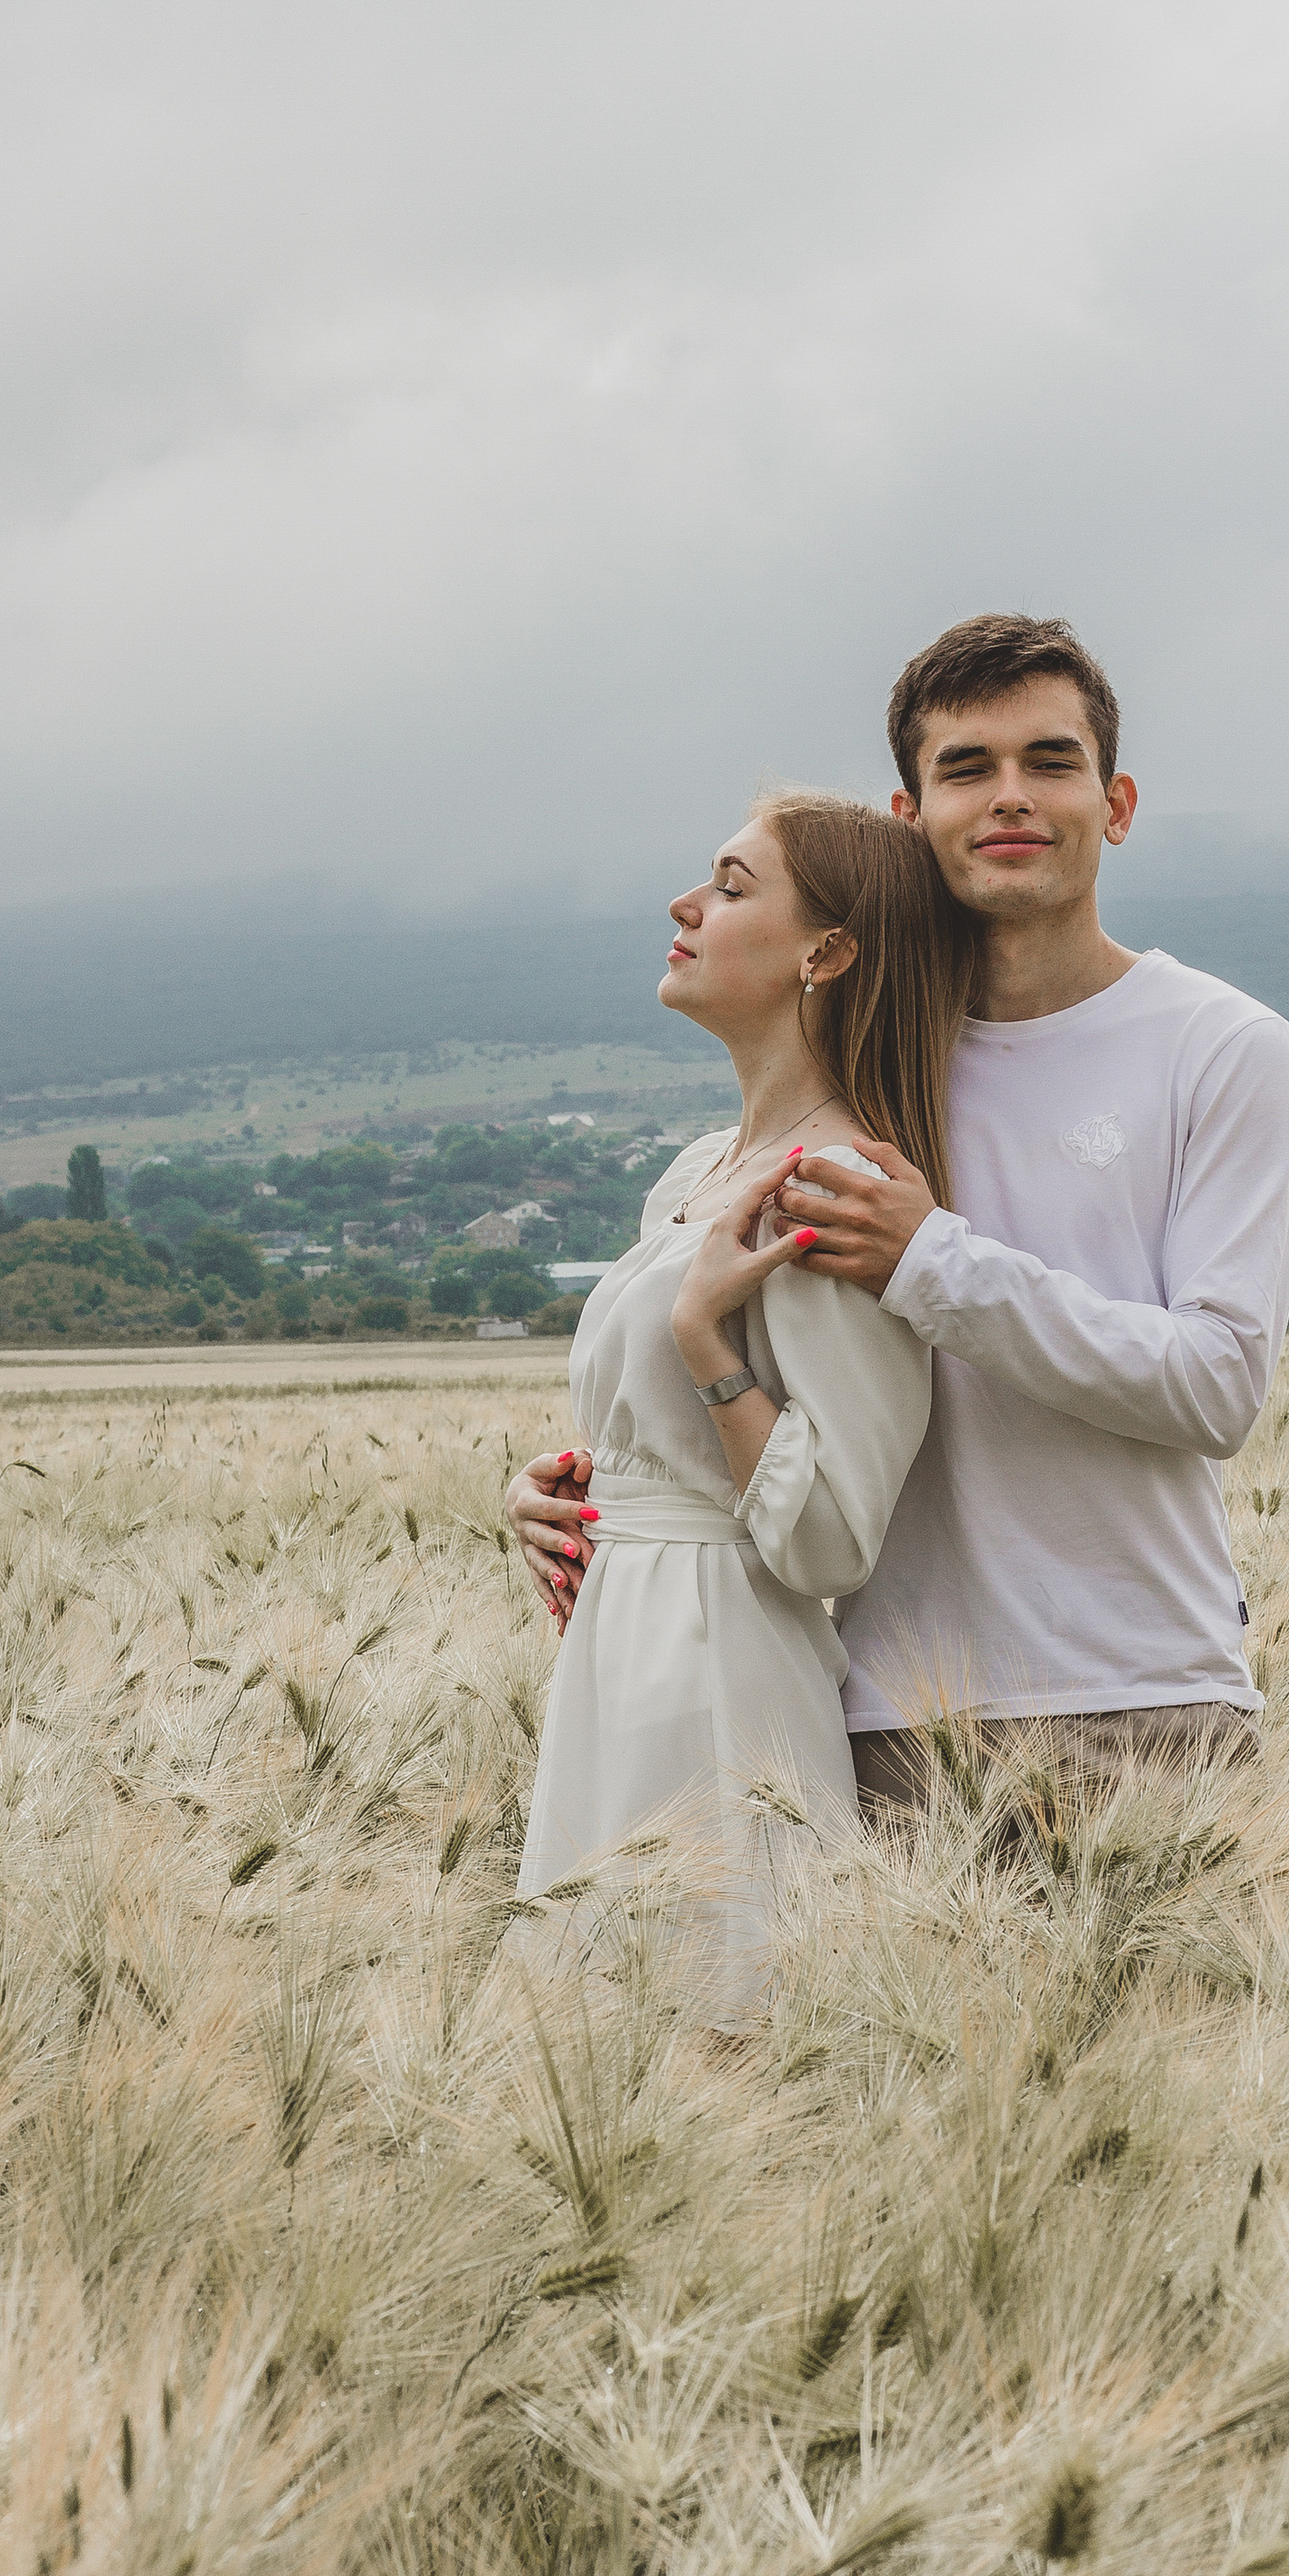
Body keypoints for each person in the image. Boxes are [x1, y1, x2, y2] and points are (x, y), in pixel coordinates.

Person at [776, 613, 1289, 1813]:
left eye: (1050, 762)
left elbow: (1217, 1383)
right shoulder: (845, 1061)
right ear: (908, 821)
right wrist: (615, 1474)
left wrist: (930, 1260)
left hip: (1148, 1706)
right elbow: (749, 1327)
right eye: (966, 768)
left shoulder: (1223, 1048)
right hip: (884, 1720)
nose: (1009, 797)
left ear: (1115, 804)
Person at [503, 794, 976, 1998]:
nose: (684, 905)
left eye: (728, 883)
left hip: (722, 1682)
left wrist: (704, 1338)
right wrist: (570, 1492)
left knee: (717, 2038)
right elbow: (666, 1439)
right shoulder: (694, 1172)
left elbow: (830, 1538)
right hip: (619, 1657)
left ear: (827, 952)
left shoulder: (834, 1190)